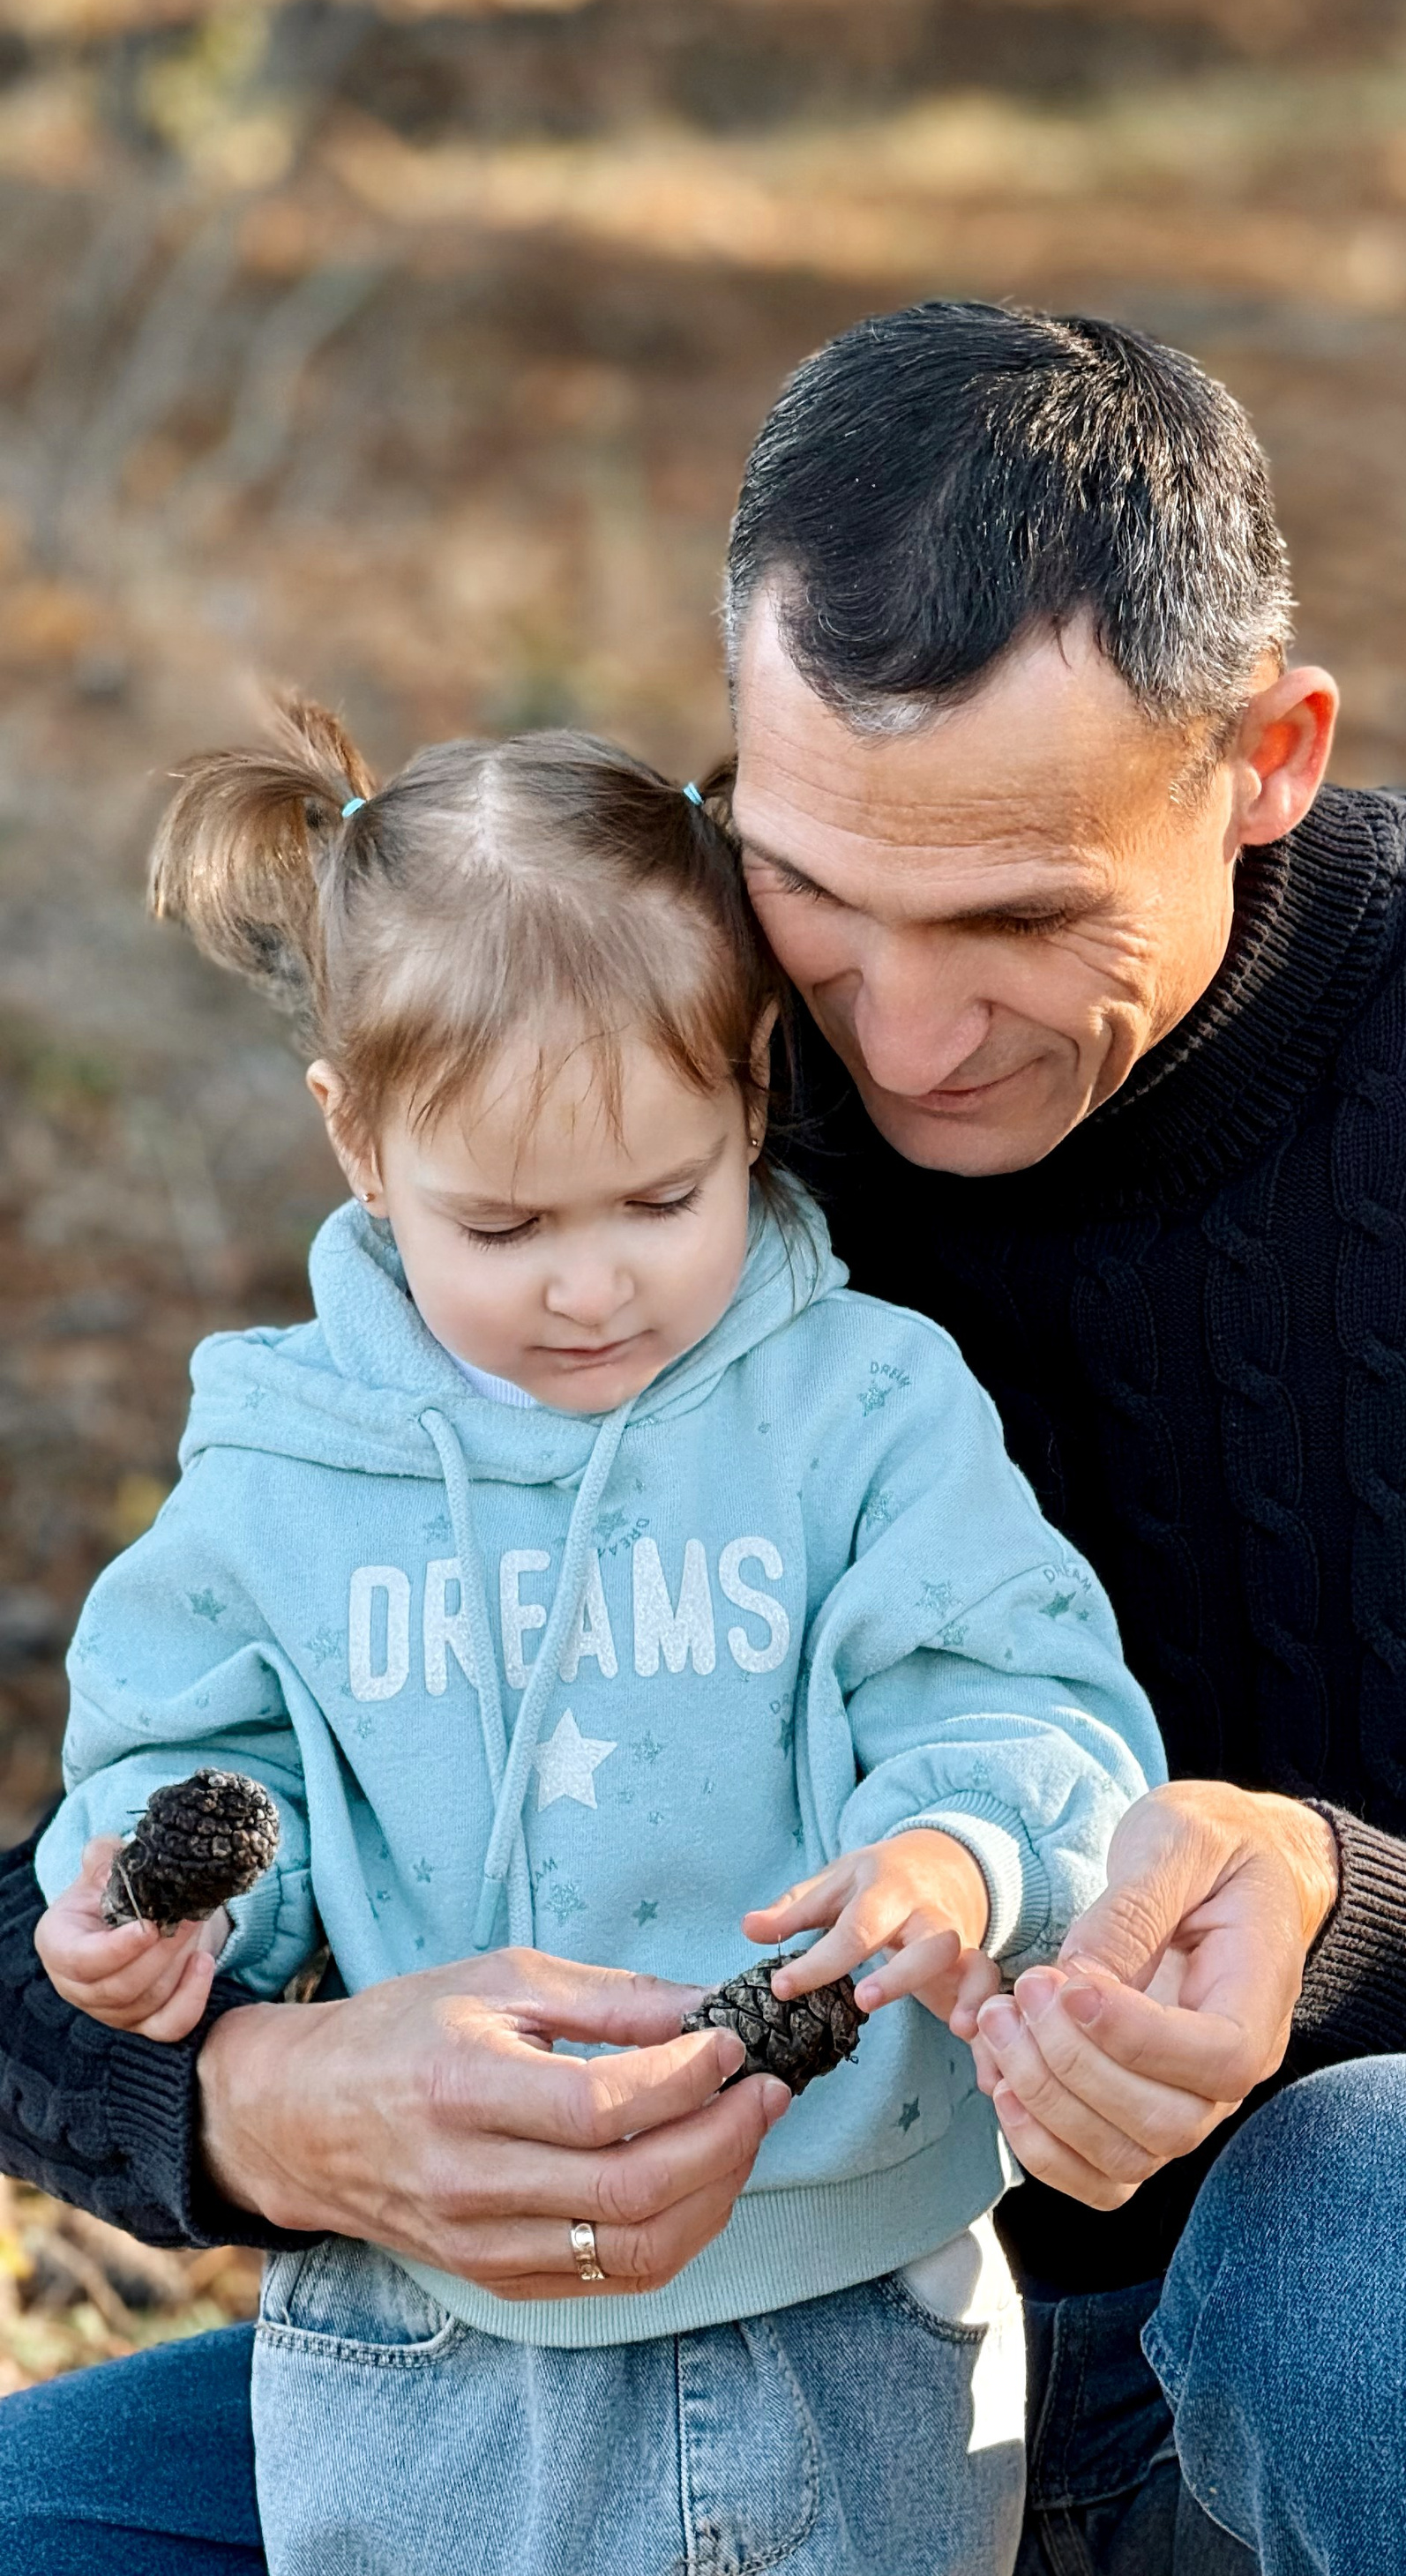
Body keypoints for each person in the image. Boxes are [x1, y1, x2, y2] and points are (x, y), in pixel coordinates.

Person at [0, 302, 1406, 2576]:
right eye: (816, 890)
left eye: (1018, 917)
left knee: (1371, 2246)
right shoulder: (649, 1061)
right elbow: (163, 1798)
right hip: (802, 2357)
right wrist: (261, 2099)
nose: (896, 1037)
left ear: (1268, 754)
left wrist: (1342, 1922)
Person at [17, 700, 1163, 2576]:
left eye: (660, 1198)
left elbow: (1019, 1693)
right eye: (503, 1222)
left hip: (838, 2298)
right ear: (359, 1144)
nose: (587, 1282)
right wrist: (168, 1902)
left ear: (747, 1099)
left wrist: (961, 1851)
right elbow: (195, 1766)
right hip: (416, 2339)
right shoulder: (283, 1462)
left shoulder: (858, 1412)